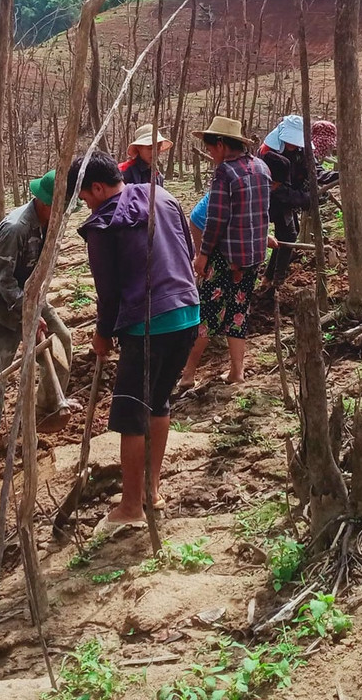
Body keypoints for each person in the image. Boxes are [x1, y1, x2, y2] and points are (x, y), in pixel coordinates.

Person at [68, 153, 200, 538]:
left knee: (131, 415)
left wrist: (102, 334)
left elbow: (108, 293)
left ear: (97, 188)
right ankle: (150, 491)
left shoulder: (103, 224)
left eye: (84, 197)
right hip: (187, 314)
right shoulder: (163, 196)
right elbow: (188, 253)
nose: (86, 205)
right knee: (158, 403)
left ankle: (130, 507)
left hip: (148, 326)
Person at [0, 170, 71, 465]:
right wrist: (28, 315)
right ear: (45, 203)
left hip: (31, 298)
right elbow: (4, 280)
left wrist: (36, 309)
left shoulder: (48, 225)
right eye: (60, 208)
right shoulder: (15, 228)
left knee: (62, 340)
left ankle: (47, 408)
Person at [181, 116, 271, 388]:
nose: (210, 154)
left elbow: (216, 219)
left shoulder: (225, 172)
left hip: (225, 257)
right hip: (252, 256)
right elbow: (260, 213)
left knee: (207, 315)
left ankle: (187, 374)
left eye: (210, 148)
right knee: (238, 312)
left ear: (221, 144)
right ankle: (236, 372)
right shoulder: (261, 167)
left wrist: (203, 254)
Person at [260, 150, 311, 285]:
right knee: (287, 236)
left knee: (289, 235)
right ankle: (275, 279)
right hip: (279, 203)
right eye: (274, 184)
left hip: (284, 202)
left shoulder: (298, 155)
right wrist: (305, 199)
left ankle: (272, 277)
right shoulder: (272, 161)